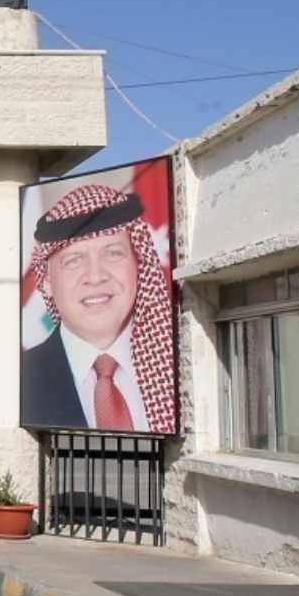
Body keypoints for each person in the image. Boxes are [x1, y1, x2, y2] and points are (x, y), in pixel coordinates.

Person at [20, 184, 176, 434]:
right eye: (73, 260)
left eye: (113, 253)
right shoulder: (18, 380)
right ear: (47, 281)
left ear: (139, 264)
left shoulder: (180, 367)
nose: (95, 276)